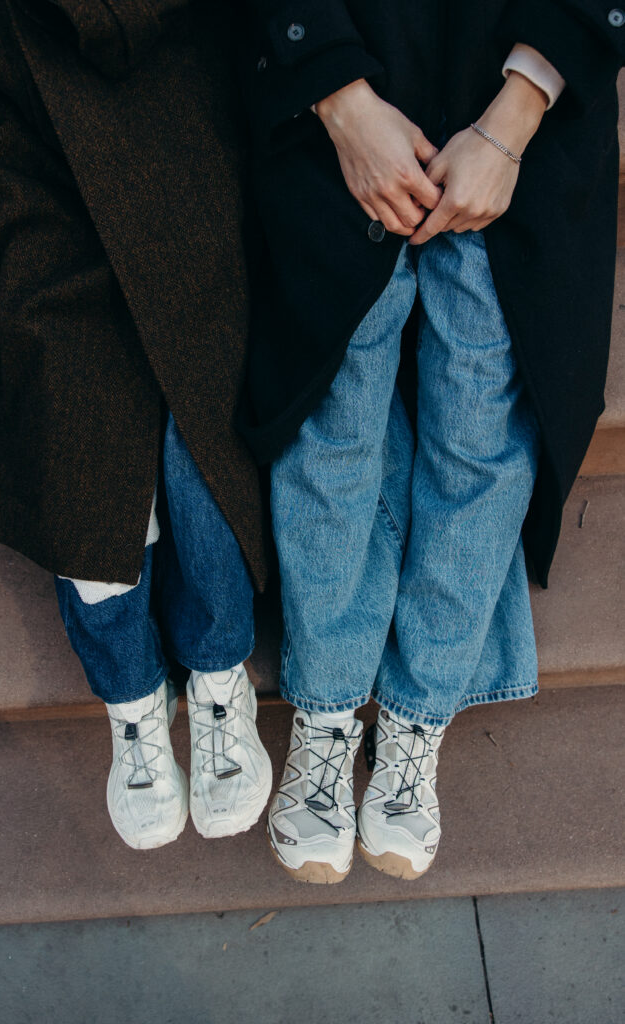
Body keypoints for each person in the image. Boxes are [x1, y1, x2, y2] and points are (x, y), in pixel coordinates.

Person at [237, 1, 623, 882]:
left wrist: (514, 119)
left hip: (529, 102)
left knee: (484, 427)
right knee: (333, 417)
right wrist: (341, 102)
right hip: (337, 85)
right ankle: (328, 707)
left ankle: (415, 716)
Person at [0, 0, 272, 850]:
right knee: (74, 420)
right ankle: (130, 695)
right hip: (19, 133)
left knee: (196, 425)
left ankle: (215, 668)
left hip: (177, 108)